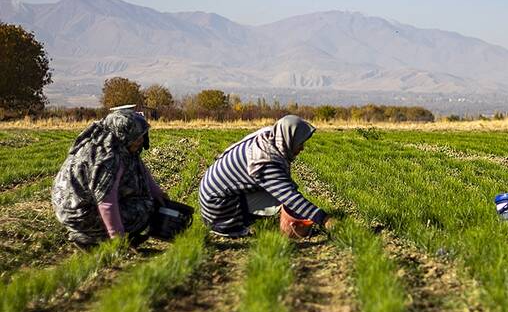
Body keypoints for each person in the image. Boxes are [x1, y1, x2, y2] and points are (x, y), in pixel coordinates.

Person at [199, 115, 334, 237]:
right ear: (289, 139)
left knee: (279, 194)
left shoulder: (271, 136)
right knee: (281, 198)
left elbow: (285, 184)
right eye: (300, 143)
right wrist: (324, 219)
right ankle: (230, 228)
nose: (302, 148)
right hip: (217, 207)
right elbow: (290, 197)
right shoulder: (265, 160)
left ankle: (258, 219)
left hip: (215, 193)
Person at [52, 109, 168, 248]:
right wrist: (117, 239)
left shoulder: (114, 143)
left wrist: (157, 193)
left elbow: (139, 168)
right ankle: (90, 238)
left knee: (148, 200)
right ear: (123, 134)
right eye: (137, 137)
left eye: (142, 135)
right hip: (80, 214)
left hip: (77, 206)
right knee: (145, 208)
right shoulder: (108, 159)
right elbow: (106, 202)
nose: (141, 140)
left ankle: (101, 233)